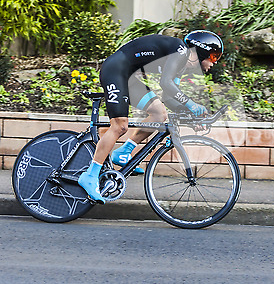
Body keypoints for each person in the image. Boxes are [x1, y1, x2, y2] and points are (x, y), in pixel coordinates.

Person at [78, 30, 224, 204]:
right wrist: (192, 105)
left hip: (128, 76)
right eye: (214, 57)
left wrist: (192, 116)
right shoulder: (181, 51)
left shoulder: (181, 64)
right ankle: (90, 175)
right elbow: (166, 84)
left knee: (159, 113)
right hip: (115, 70)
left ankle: (123, 153)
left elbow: (169, 98)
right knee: (120, 126)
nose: (213, 63)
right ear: (201, 50)